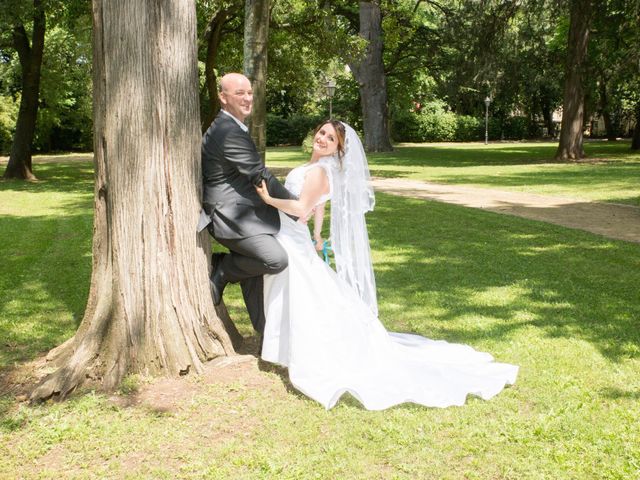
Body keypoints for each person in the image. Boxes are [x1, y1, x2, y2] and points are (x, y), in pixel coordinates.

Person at [255, 120, 518, 410]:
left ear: (338, 148)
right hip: (295, 237)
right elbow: (318, 206)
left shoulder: (318, 171)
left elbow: (302, 207)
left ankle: (300, 351)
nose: (322, 139)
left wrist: (268, 199)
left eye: (330, 138)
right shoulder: (318, 170)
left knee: (304, 295)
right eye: (321, 133)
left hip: (291, 237)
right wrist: (317, 233)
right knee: (304, 293)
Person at [201, 73, 295, 335]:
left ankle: (266, 336)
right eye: (239, 93)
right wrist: (296, 207)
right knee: (275, 259)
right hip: (229, 215)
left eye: (249, 92)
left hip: (245, 213)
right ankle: (223, 269)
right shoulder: (226, 130)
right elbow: (259, 174)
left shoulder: (231, 126)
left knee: (253, 273)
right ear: (223, 97)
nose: (247, 98)